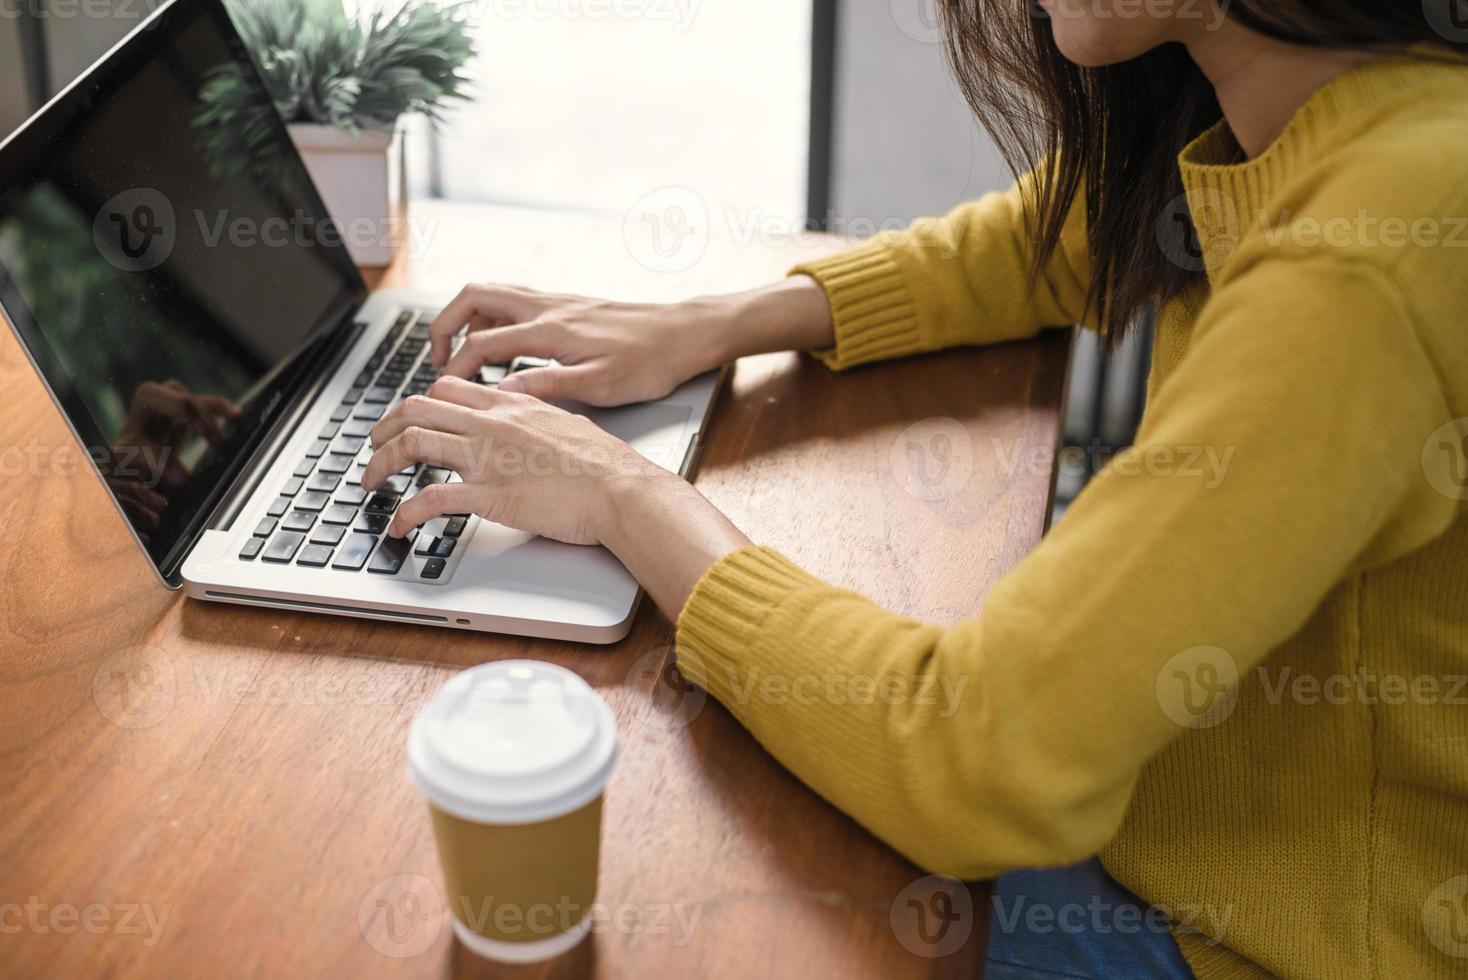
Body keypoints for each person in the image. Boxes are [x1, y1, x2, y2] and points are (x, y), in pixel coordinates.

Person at [361, 1, 1468, 976]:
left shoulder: (1363, 259)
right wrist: (708, 324)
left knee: (695, 910)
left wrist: (622, 492)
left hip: (1243, 940)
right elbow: (1050, 241)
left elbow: (973, 755)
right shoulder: (1337, 101)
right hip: (1156, 808)